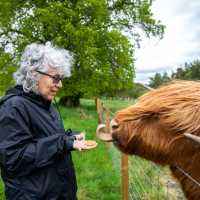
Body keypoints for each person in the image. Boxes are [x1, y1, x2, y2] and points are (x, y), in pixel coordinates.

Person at [0, 42, 88, 200]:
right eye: (55, 78)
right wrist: (62, 143)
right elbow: (14, 159)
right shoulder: (13, 107)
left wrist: (70, 138)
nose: (60, 85)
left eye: (61, 79)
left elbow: (45, 139)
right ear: (34, 74)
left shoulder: (46, 104)